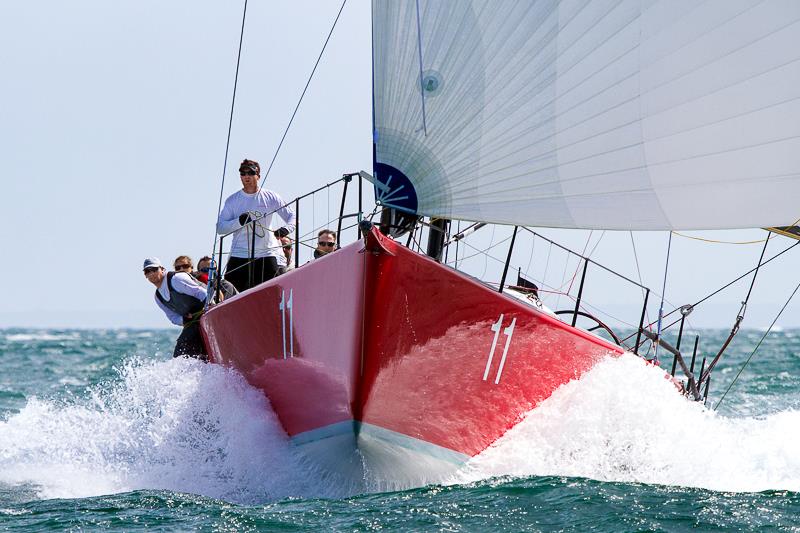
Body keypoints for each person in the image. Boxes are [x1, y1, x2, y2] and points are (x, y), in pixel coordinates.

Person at [216, 159, 296, 292]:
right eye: (243, 173)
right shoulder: (232, 201)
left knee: (273, 293)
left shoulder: (271, 196)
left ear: (258, 175)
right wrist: (239, 222)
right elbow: (220, 228)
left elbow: (292, 216)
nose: (246, 176)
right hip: (239, 254)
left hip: (267, 252)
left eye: (251, 173)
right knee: (230, 295)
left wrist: (286, 229)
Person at [143, 257, 208, 360]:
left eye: (154, 269)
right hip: (194, 323)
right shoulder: (158, 297)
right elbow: (173, 317)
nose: (151, 273)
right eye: (147, 271)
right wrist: (185, 319)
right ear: (145, 275)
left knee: (184, 345)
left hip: (209, 316)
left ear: (162, 269)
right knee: (180, 352)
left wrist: (208, 311)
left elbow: (202, 293)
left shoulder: (175, 279)